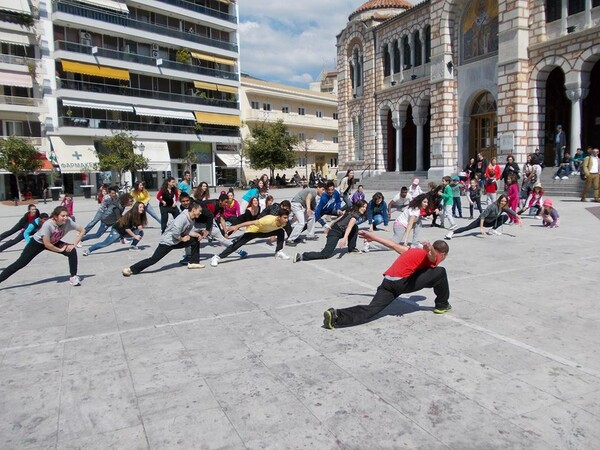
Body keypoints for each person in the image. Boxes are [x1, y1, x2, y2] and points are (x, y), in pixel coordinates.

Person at [322, 233, 451, 329]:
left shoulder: (413, 251)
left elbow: (393, 245)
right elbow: (433, 257)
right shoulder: (436, 255)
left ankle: (336, 316)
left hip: (388, 282)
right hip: (401, 283)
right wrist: (430, 248)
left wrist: (373, 237)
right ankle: (442, 304)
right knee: (440, 272)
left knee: (371, 309)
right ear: (444, 254)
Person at [0, 206, 85, 286]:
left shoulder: (68, 222)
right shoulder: (48, 224)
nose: (65, 218)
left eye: (67, 215)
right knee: (20, 263)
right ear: (55, 216)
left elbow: (82, 230)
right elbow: (47, 244)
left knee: (71, 251)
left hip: (53, 241)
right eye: (62, 216)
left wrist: (73, 245)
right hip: (37, 243)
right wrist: (60, 250)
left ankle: (73, 277)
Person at [122, 201, 208, 276]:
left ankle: (193, 262)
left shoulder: (191, 219)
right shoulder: (183, 218)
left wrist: (196, 235)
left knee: (195, 240)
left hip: (176, 240)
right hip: (168, 242)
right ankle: (131, 269)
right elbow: (175, 231)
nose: (200, 213)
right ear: (193, 210)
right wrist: (182, 239)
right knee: (153, 260)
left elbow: (186, 231)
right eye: (199, 211)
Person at [293, 200, 367, 263]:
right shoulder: (355, 216)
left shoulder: (351, 210)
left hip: (338, 229)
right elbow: (349, 228)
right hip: (335, 232)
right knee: (325, 254)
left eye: (365, 207)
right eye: (363, 207)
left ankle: (352, 248)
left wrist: (330, 225)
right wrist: (344, 239)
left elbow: (340, 217)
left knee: (355, 227)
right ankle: (302, 256)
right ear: (358, 206)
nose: (364, 209)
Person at [210, 209, 291, 266]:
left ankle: (278, 252)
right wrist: (237, 226)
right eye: (284, 218)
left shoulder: (284, 222)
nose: (287, 220)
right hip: (253, 231)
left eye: (287, 217)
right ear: (279, 217)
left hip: (264, 232)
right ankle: (217, 257)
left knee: (280, 231)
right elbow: (251, 222)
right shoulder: (268, 220)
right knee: (237, 245)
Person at [445, 194, 521, 239]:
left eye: (505, 201)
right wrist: (481, 228)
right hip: (481, 221)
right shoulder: (492, 206)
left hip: (491, 222)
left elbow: (511, 212)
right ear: (499, 200)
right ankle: (452, 232)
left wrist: (518, 217)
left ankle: (493, 229)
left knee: (505, 217)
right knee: (467, 228)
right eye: (502, 201)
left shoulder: (504, 207)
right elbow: (482, 216)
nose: (503, 203)